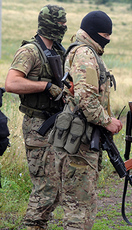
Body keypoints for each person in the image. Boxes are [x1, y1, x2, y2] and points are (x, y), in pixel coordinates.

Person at [48, 11, 122, 229]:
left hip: (81, 137)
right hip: (79, 143)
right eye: (104, 34)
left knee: (82, 205)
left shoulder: (83, 51)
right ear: (93, 33)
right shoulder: (85, 55)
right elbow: (86, 99)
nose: (107, 39)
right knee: (79, 209)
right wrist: (107, 120)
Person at [4, 5, 67, 230]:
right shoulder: (30, 51)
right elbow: (11, 83)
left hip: (57, 125)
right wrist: (45, 86)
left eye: (64, 23)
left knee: (56, 188)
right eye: (59, 24)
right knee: (45, 189)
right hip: (37, 126)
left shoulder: (59, 50)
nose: (63, 27)